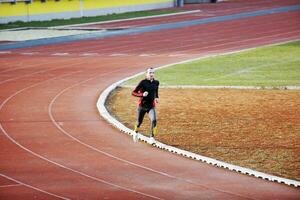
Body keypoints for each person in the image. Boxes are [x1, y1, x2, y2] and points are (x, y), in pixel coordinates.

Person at [132, 68, 159, 144]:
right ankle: (135, 132)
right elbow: (133, 93)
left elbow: (156, 90)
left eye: (153, 72)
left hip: (151, 106)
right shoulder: (142, 82)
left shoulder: (156, 82)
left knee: (154, 120)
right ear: (146, 74)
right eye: (150, 72)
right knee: (139, 122)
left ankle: (151, 137)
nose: (151, 74)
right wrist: (142, 94)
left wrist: (156, 97)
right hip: (142, 106)